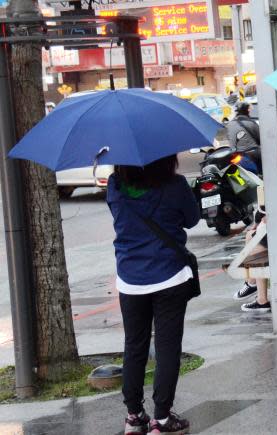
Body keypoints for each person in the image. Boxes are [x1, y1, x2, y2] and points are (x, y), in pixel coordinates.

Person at [107, 155, 198, 435]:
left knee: (134, 345)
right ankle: (161, 418)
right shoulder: (175, 185)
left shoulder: (115, 185)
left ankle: (134, 417)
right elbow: (192, 219)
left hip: (130, 279)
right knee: (168, 347)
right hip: (169, 275)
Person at [233, 206, 271, 313]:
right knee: (250, 235)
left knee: (256, 248)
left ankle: (262, 300)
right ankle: (251, 282)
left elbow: (264, 207)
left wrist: (258, 222)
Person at [226, 101, 261, 173]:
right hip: (252, 153)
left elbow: (229, 138)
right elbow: (260, 139)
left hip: (235, 154)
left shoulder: (230, 124)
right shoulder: (251, 123)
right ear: (246, 110)